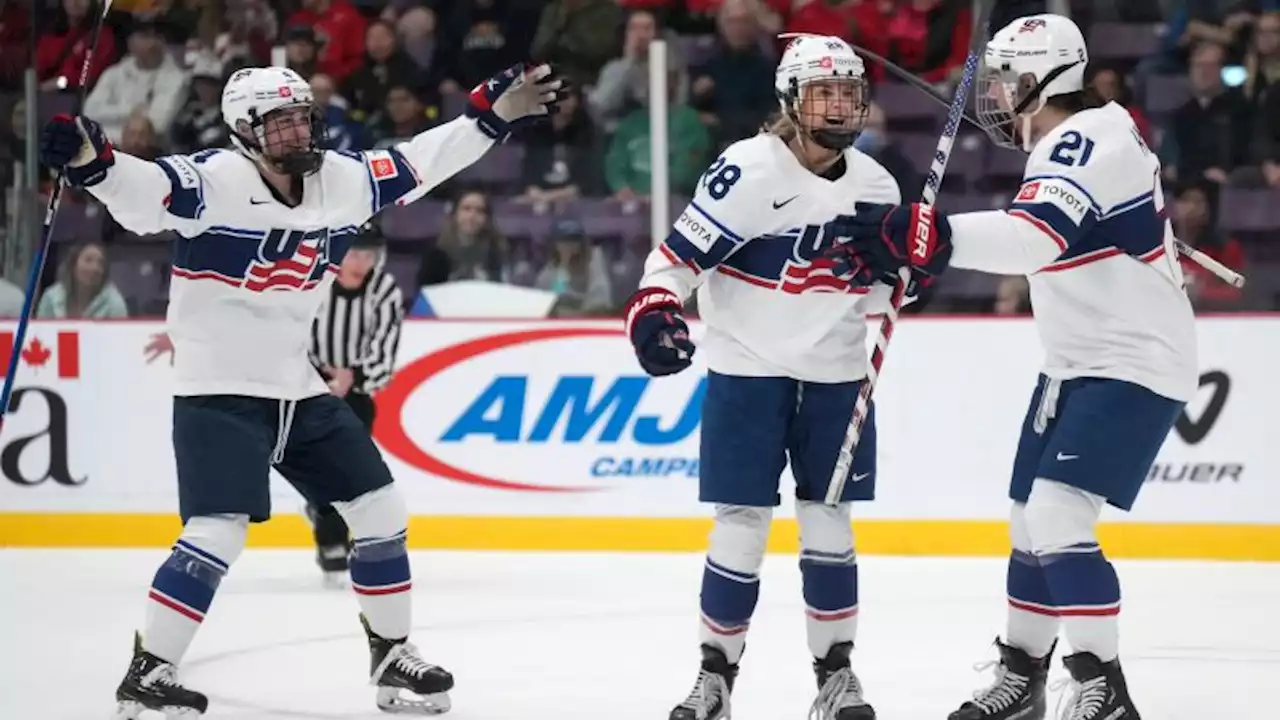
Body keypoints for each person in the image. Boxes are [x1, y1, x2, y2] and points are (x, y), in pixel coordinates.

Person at [38, 62, 562, 718]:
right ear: (243, 131)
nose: (296, 129)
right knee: (217, 531)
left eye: (301, 114)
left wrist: (490, 119)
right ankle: (149, 671)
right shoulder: (214, 182)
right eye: (277, 120)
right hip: (218, 388)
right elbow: (144, 194)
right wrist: (92, 157)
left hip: (298, 386)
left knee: (380, 510)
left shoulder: (341, 180)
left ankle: (392, 654)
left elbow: (420, 161)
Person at [827, 15, 1196, 720]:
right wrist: (930, 242)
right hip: (1078, 363)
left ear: (1039, 81)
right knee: (1031, 519)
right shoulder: (1083, 136)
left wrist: (934, 236)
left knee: (1058, 513)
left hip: (1134, 361)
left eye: (1005, 81)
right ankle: (1023, 676)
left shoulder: (1084, 142)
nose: (995, 95)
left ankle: (1102, 684)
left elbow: (1031, 239)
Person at [624, 33, 911, 720]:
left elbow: (881, 295)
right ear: (791, 98)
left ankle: (836, 678)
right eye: (824, 92)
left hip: (837, 377)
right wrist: (655, 309)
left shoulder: (877, 185)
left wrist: (912, 267)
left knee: (831, 528)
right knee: (740, 528)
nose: (840, 105)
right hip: (747, 371)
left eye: (849, 92)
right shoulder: (747, 170)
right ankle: (715, 679)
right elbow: (674, 262)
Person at [306, 224, 405, 580]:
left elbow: (384, 352)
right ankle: (326, 521)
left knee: (350, 470)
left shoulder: (385, 291)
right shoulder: (314, 281)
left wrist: (353, 377)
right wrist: (318, 375)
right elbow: (290, 332)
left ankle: (332, 526)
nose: (361, 262)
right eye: (354, 252)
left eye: (369, 254)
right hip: (307, 388)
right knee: (319, 467)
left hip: (358, 396)